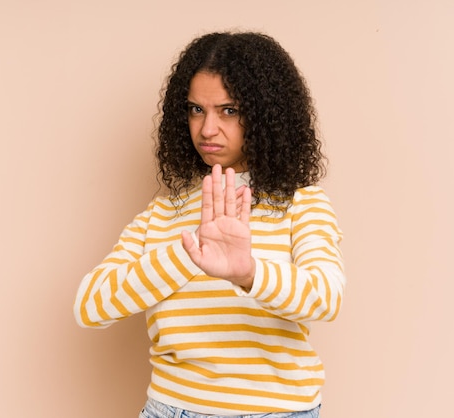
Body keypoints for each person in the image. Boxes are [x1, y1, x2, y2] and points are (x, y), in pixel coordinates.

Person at [73, 31, 345, 418]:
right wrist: (189, 253)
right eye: (196, 110)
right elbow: (90, 306)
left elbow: (325, 296)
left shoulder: (301, 204)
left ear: (267, 115)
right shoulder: (164, 213)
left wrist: (249, 273)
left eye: (228, 110)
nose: (206, 129)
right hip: (171, 410)